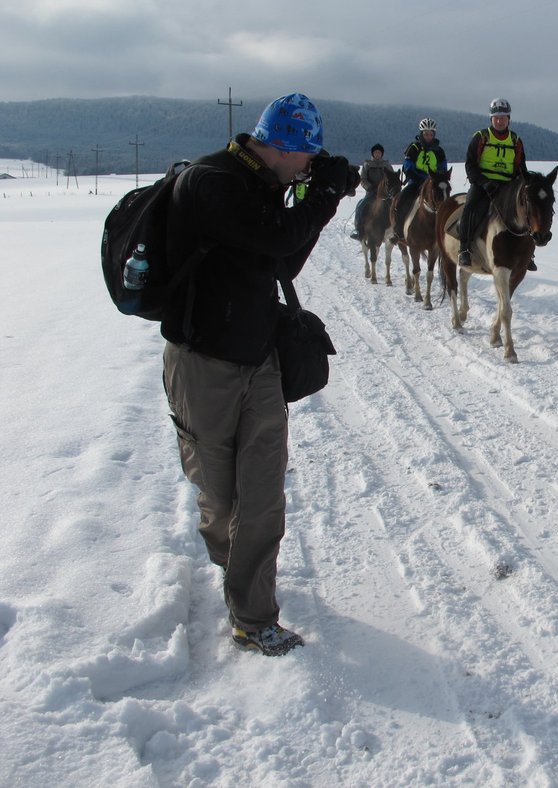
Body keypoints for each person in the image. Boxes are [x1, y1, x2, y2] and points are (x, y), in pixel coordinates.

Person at [161, 93, 352, 657]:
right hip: (202, 365)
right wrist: (319, 197)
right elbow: (272, 238)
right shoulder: (211, 182)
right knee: (220, 496)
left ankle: (252, 615)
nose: (310, 166)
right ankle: (230, 561)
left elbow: (281, 260)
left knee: (263, 495)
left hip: (259, 360)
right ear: (282, 147)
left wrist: (321, 202)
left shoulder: (269, 186)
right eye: (307, 156)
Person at [458, 97, 530, 269]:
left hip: (508, 187)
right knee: (470, 207)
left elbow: (521, 168)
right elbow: (470, 165)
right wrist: (483, 182)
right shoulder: (481, 137)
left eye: (503, 117)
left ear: (509, 119)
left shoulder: (516, 141)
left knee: (527, 211)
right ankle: (465, 249)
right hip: (483, 185)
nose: (500, 121)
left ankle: (529, 252)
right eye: (496, 117)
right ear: (491, 119)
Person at [392, 118, 448, 240]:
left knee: (445, 201)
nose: (428, 136)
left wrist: (437, 177)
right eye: (426, 133)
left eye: (431, 134)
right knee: (401, 201)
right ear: (421, 134)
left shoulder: (439, 151)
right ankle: (398, 230)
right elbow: (408, 165)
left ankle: (446, 233)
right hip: (416, 183)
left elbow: (443, 167)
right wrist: (417, 177)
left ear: (434, 134)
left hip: (434, 184)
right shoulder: (414, 147)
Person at [350, 143, 396, 240]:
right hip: (371, 192)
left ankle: (398, 231)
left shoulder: (386, 165)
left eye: (379, 152)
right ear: (372, 153)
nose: (377, 154)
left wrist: (389, 189)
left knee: (396, 208)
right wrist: (369, 187)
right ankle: (359, 230)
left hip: (385, 193)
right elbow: (363, 178)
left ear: (382, 154)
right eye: (376, 152)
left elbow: (392, 177)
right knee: (361, 206)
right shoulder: (367, 164)